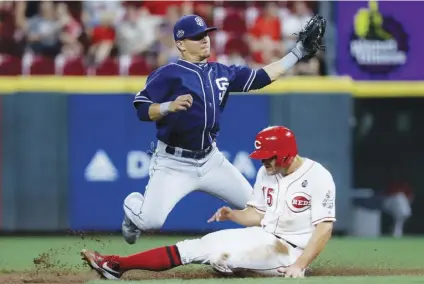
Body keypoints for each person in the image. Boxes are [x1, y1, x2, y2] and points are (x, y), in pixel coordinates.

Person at [122, 14, 326, 245]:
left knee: (261, 211)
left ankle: (279, 259)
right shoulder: (168, 74)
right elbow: (141, 109)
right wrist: (169, 106)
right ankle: (133, 210)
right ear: (180, 44)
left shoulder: (221, 72)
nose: (204, 40)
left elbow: (262, 77)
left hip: (211, 160)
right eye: (196, 37)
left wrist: (297, 53)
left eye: (205, 35)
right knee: (151, 222)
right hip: (173, 164)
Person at [82, 126, 336, 279]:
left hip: (290, 251)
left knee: (221, 259)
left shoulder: (318, 176)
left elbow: (324, 228)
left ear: (287, 153)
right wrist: (234, 215)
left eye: (269, 157)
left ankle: (282, 270)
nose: (264, 163)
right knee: (194, 246)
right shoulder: (265, 173)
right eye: (261, 158)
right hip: (263, 236)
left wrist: (300, 265)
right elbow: (258, 216)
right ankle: (117, 265)